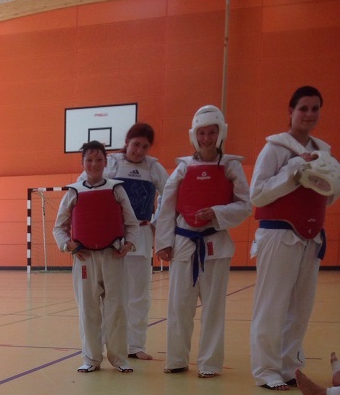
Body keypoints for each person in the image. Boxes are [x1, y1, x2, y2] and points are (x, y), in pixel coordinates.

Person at [249, 87, 340, 390]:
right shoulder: (275, 148)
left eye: (315, 108)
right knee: (272, 305)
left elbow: (327, 197)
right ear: (291, 111)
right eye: (303, 108)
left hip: (311, 237)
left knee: (301, 308)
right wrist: (293, 169)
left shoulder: (324, 150)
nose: (309, 114)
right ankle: (266, 370)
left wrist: (330, 178)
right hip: (278, 234)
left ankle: (289, 366)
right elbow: (257, 194)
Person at [156, 106, 251, 378]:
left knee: (213, 308)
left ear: (221, 134)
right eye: (201, 133)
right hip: (184, 242)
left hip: (215, 244)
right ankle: (176, 359)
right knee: (179, 305)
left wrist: (217, 213)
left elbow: (245, 205)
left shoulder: (231, 166)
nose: (206, 138)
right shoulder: (183, 167)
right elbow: (166, 206)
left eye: (211, 132)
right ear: (193, 135)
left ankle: (209, 364)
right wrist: (163, 242)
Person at [53, 141, 140, 373]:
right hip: (84, 259)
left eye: (99, 159)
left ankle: (119, 358)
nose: (94, 164)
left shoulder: (116, 189)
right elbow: (59, 227)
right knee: (88, 310)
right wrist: (68, 245)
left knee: (117, 308)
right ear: (82, 163)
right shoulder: (73, 192)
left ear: (105, 162)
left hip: (113, 256)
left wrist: (129, 243)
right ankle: (91, 358)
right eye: (89, 160)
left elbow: (131, 223)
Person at [105, 123, 169, 360]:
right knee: (110, 294)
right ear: (127, 142)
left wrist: (156, 222)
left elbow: (171, 195)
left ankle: (135, 345)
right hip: (113, 236)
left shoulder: (153, 167)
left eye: (144, 147)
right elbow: (89, 188)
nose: (139, 151)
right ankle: (105, 343)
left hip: (141, 235)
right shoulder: (111, 163)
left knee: (139, 295)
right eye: (136, 144)